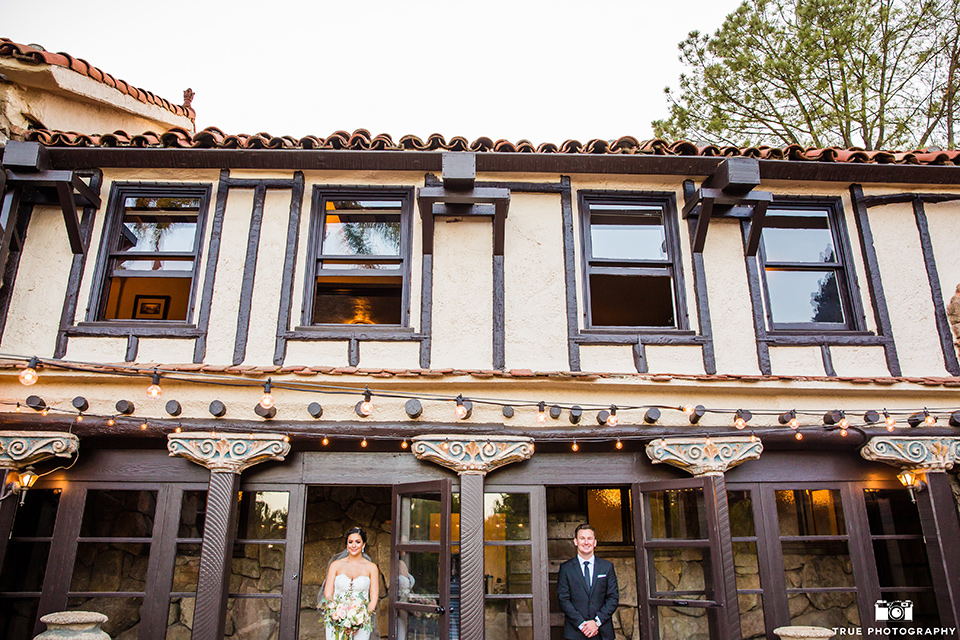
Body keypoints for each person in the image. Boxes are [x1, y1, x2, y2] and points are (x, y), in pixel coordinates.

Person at [557, 523, 619, 640]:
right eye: (582, 538)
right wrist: (582, 624)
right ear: (576, 541)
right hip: (575, 633)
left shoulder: (607, 567)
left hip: (602, 633)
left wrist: (596, 622)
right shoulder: (566, 568)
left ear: (595, 542)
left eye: (589, 539)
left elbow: (613, 598)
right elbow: (563, 600)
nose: (586, 542)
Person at [323, 527, 380, 640]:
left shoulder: (372, 568)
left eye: (358, 542)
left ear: (363, 544)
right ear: (346, 545)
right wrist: (339, 616)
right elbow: (328, 594)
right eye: (350, 542)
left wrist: (359, 620)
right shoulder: (335, 565)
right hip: (336, 621)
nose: (354, 545)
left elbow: (373, 598)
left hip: (362, 621)